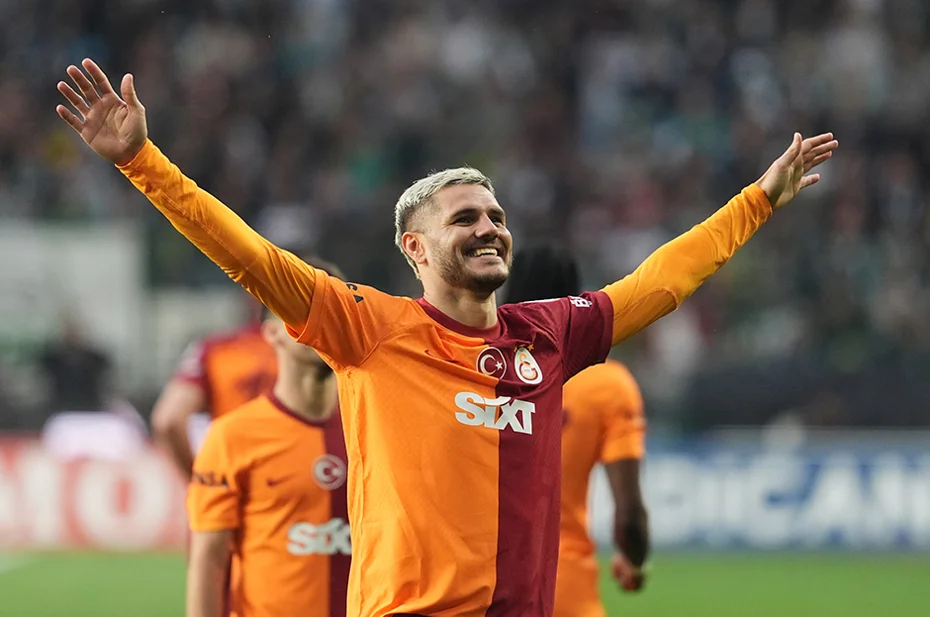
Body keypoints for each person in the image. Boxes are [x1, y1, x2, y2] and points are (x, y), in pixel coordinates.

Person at [55, 58, 837, 617]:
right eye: (465, 218)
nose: (489, 227)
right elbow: (249, 255)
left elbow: (663, 280)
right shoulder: (369, 328)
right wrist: (142, 162)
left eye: (496, 215)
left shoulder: (549, 335)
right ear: (416, 249)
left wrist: (760, 198)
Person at [186, 257, 349, 617]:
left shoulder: (376, 427)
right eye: (303, 311)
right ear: (271, 333)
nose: (321, 324)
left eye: (334, 312)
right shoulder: (232, 436)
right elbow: (209, 561)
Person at [504, 245, 649, 617]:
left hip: (480, 586)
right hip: (563, 587)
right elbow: (629, 514)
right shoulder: (606, 384)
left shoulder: (470, 366)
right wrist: (634, 559)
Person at [151, 296, 277, 479]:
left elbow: (168, 420)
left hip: (232, 474)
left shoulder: (216, 349)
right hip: (295, 470)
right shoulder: (307, 349)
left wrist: (199, 479)